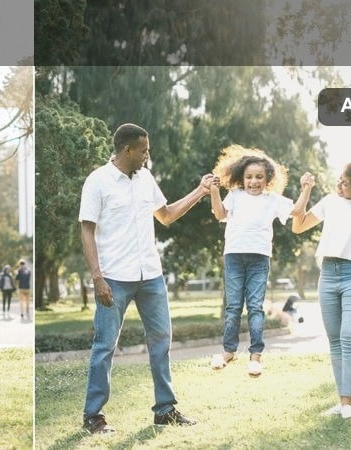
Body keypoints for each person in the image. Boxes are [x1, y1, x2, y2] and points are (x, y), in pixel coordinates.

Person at [79, 123, 214, 433]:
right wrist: (97, 277)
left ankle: (165, 410)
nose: (147, 155)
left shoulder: (145, 178)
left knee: (161, 342)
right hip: (113, 277)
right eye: (144, 150)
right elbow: (86, 230)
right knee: (104, 346)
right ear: (127, 149)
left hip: (150, 275)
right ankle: (93, 416)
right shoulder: (98, 181)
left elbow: (165, 215)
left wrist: (200, 191)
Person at [207, 145, 314, 377]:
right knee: (234, 306)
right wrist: (214, 191)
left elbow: (296, 211)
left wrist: (306, 189)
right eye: (249, 177)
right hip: (234, 256)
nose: (253, 181)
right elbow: (219, 214)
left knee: (255, 306)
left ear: (267, 179)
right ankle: (228, 351)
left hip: (259, 258)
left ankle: (255, 356)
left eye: (259, 177)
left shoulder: (272, 200)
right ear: (241, 178)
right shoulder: (235, 196)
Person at [292, 160, 351, 420]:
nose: (339, 184)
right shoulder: (330, 201)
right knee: (335, 341)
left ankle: (347, 403)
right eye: (341, 179)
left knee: (349, 335)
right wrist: (306, 190)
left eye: (346, 182)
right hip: (329, 276)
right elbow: (297, 227)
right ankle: (342, 402)